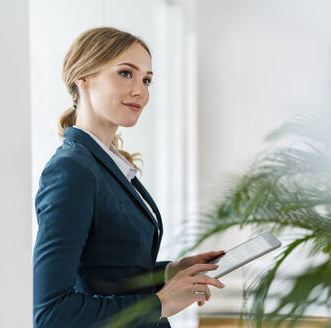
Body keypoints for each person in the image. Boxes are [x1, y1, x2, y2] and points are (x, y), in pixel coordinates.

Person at [33, 27, 225, 328]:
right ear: (83, 77)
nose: (141, 91)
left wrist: (167, 273)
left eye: (147, 79)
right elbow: (52, 314)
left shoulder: (107, 162)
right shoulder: (71, 169)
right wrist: (159, 304)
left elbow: (106, 274)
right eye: (126, 73)